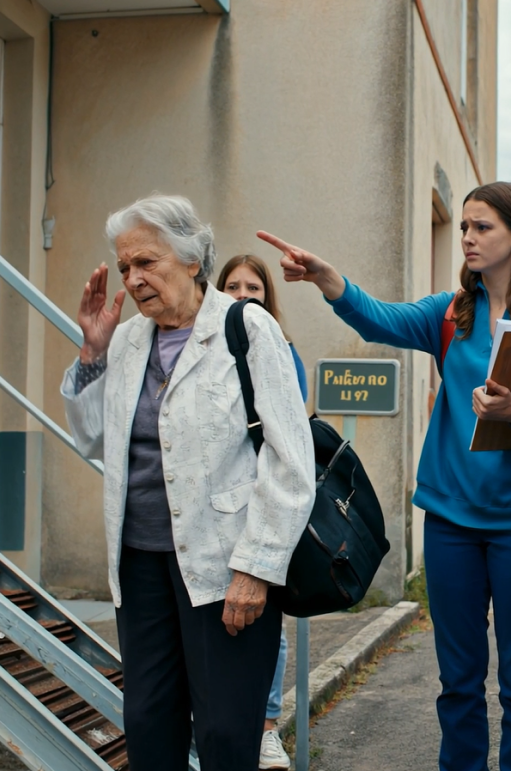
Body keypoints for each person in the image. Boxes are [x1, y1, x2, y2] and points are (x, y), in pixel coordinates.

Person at [257, 181, 511, 771]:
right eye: (463, 226)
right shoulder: (451, 313)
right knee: (457, 682)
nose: (467, 238)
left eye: (481, 227)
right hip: (452, 524)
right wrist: (329, 279)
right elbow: (378, 320)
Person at [60, 194, 315, 771]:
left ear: (193, 259)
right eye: (125, 267)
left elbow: (291, 460)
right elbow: (94, 440)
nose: (133, 277)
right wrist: (92, 353)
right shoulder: (127, 340)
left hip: (227, 567)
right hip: (140, 562)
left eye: (147, 262)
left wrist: (256, 566)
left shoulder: (245, 327)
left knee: (226, 732)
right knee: (150, 725)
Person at [217, 253, 306, 771]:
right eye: (233, 285)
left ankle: (267, 728)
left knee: (264, 619)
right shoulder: (204, 348)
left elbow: (290, 431)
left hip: (264, 503)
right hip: (213, 508)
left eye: (254, 287)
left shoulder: (279, 348)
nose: (244, 295)